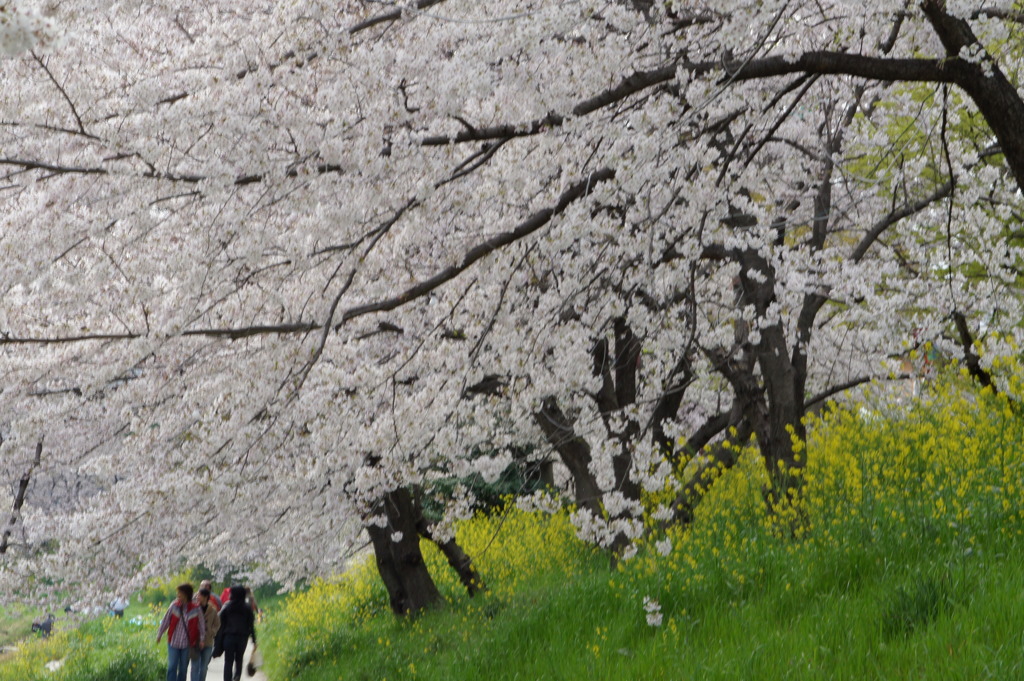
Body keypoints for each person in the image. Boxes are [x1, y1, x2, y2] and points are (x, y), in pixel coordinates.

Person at [156, 583, 206, 681]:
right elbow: (166, 620)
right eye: (178, 593)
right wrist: (160, 634)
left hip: (187, 643)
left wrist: (202, 639)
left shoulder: (196, 609)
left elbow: (201, 625)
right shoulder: (174, 606)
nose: (178, 595)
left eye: (180, 593)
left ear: (186, 594)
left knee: (183, 669)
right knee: (172, 667)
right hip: (173, 642)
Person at [214, 585, 256, 681]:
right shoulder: (247, 608)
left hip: (229, 637)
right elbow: (251, 625)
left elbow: (219, 618)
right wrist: (254, 639)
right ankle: (237, 676)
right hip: (242, 638)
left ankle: (227, 679)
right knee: (239, 659)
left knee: (228, 661)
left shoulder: (227, 606)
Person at [192, 588, 220, 681]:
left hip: (208, 642)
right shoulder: (194, 608)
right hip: (195, 641)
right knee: (195, 666)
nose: (197, 597)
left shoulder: (213, 610)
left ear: (205, 597)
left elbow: (217, 624)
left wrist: (212, 632)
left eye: (199, 595)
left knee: (204, 667)